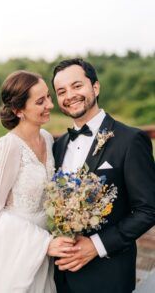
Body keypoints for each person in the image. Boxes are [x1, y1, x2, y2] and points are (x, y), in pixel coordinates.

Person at [52, 58, 155, 293]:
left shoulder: (131, 140)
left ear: (95, 87)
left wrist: (96, 245)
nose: (70, 95)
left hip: (108, 276)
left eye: (77, 86)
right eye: (61, 91)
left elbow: (148, 209)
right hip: (61, 276)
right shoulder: (59, 145)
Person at [0, 70, 78, 293]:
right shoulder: (9, 146)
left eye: (48, 97)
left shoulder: (48, 138)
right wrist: (42, 243)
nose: (50, 104)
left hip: (46, 250)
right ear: (18, 110)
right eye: (40, 101)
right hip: (17, 251)